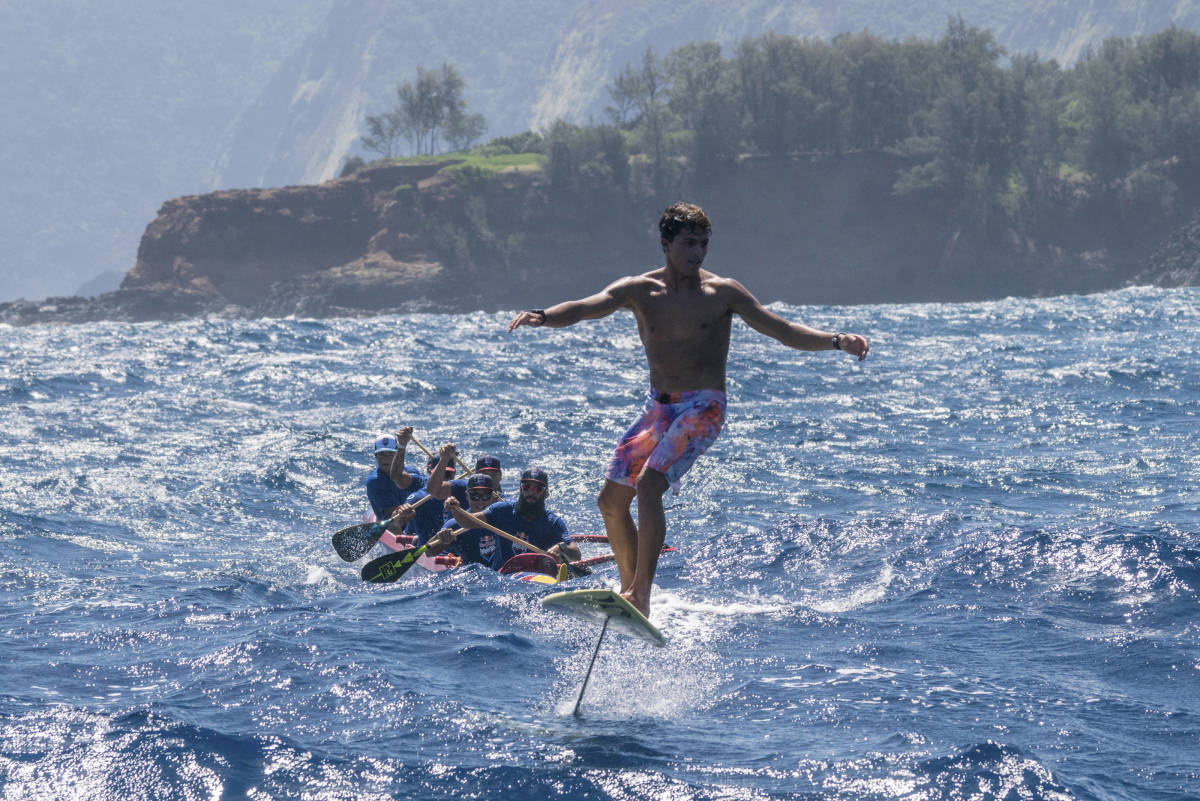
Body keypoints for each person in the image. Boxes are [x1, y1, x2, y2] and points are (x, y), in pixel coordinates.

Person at [508, 201, 869, 616]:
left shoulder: (722, 293)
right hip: (658, 409)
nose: (697, 253)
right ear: (665, 244)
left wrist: (836, 339)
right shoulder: (638, 290)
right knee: (610, 500)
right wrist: (542, 316)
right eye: (689, 244)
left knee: (648, 486)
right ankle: (630, 593)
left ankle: (640, 593)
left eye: (703, 244)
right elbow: (590, 305)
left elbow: (782, 329)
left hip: (704, 407)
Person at [445, 468, 581, 571]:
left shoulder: (553, 522)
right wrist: (456, 509)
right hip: (502, 576)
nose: (531, 492)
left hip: (537, 576)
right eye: (527, 487)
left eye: (538, 489)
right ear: (521, 488)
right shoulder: (502, 511)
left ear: (546, 493)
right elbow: (468, 522)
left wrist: (561, 547)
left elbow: (576, 554)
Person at [424, 473, 504, 566]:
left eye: (486, 496)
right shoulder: (455, 524)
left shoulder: (504, 517)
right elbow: (428, 552)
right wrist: (440, 538)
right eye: (475, 495)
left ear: (494, 496)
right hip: (473, 576)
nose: (480, 501)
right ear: (467, 496)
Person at [402, 443, 469, 546]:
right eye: (439, 474)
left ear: (454, 473)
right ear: (430, 473)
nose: (443, 478)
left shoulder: (465, 493)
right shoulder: (418, 497)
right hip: (428, 548)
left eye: (447, 474)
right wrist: (402, 513)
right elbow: (397, 522)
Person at [364, 428, 424, 534]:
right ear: (375, 456)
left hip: (414, 521)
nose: (385, 459)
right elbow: (397, 516)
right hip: (393, 526)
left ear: (397, 454)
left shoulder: (412, 472)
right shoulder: (375, 482)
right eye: (381, 454)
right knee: (397, 521)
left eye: (390, 454)